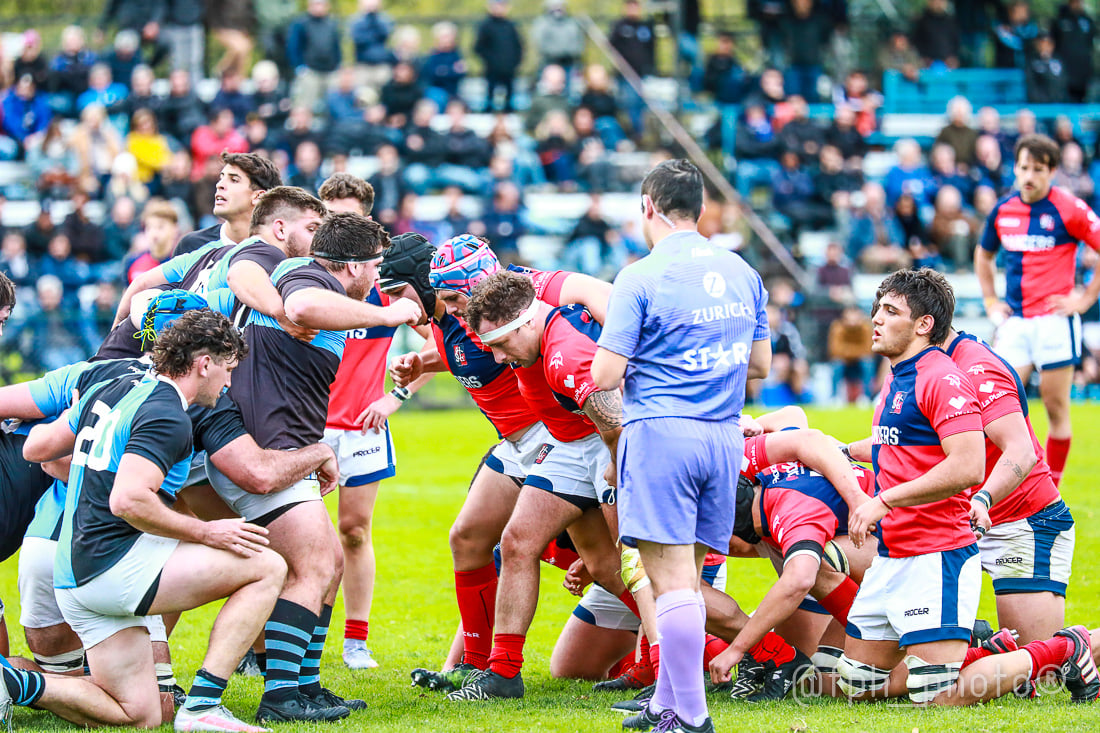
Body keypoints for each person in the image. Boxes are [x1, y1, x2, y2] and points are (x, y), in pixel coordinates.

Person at [18, 310, 284, 732]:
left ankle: (12, 682)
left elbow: (37, 447)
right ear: (205, 363)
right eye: (228, 370)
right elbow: (128, 500)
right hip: (111, 567)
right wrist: (207, 530)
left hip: (72, 572)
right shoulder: (168, 415)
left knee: (139, 713)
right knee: (268, 567)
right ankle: (203, 707)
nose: (229, 383)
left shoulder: (108, 383)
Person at [204, 213, 421, 722]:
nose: (377, 276)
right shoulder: (311, 280)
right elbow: (299, 304)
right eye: (374, 265)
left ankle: (306, 685)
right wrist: (391, 316)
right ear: (350, 266)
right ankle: (280, 697)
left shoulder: (319, 283)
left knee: (330, 564)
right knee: (314, 566)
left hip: (289, 445)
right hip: (268, 451)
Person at [589, 159, 771, 733]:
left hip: (663, 433)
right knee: (686, 581)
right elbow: (760, 366)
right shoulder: (744, 271)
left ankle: (690, 716)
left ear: (648, 206)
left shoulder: (640, 275)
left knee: (668, 585)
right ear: (700, 209)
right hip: (722, 437)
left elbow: (604, 375)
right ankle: (669, 703)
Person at [451, 270, 635, 702]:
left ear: (527, 321)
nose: (497, 359)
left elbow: (617, 424)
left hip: (610, 445)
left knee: (633, 564)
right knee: (517, 541)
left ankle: (752, 651)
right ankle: (502, 672)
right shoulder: (527, 331)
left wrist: (614, 472)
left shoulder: (564, 354)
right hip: (571, 442)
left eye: (500, 345)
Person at [316, 176, 408, 670]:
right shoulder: (308, 280)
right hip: (306, 426)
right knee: (294, 532)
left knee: (354, 530)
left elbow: (447, 340)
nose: (338, 226)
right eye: (330, 217)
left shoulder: (387, 284)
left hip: (362, 427)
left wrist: (399, 395)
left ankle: (355, 642)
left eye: (348, 217)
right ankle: (279, 642)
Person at [976, 134, 1100, 488]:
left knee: (1055, 407)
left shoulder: (1070, 208)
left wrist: (1086, 298)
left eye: (1038, 169)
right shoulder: (1003, 209)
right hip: (1015, 321)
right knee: (995, 407)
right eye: (1023, 167)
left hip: (1055, 322)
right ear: (1015, 168)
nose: (1029, 175)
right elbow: (983, 255)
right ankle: (998, 487)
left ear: (1052, 172)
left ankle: (1051, 490)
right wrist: (989, 300)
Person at [942, 325, 1074, 649]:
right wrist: (841, 453)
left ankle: (1079, 648)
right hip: (954, 522)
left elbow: (1022, 450)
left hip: (1021, 522)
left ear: (924, 323)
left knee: (1038, 669)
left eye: (890, 313)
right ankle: (975, 640)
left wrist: (983, 499)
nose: (878, 324)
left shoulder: (975, 366)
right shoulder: (915, 370)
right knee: (921, 657)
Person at [174, 152, 283, 257]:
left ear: (258, 197)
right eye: (221, 178)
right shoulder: (191, 246)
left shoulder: (281, 251)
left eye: (234, 180)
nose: (219, 185)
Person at [474, 0, 524, 113]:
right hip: (492, 70)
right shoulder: (485, 26)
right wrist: (492, 61)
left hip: (509, 69)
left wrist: (515, 62)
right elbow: (478, 48)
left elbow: (519, 46)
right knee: (490, 99)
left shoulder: (511, 25)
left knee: (509, 100)